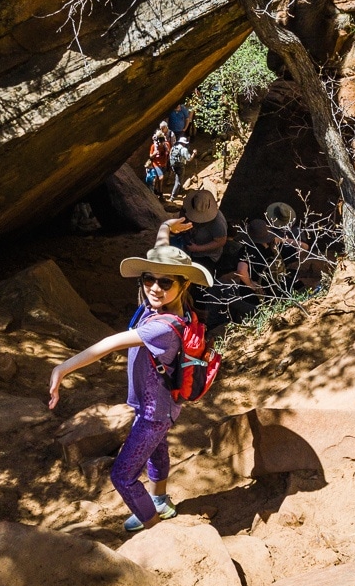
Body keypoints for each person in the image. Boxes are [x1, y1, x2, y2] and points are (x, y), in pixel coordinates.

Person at [49, 218, 213, 533]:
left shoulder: (162, 327)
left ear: (183, 285)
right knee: (158, 448)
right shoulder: (164, 305)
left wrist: (62, 368)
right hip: (160, 404)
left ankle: (154, 528)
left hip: (155, 412)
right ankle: (160, 501)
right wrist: (165, 227)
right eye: (149, 279)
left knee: (123, 475)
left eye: (165, 283)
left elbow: (107, 345)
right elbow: (161, 251)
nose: (154, 287)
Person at [182, 189, 228, 273]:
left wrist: (198, 248)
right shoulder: (187, 207)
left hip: (207, 255)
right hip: (189, 248)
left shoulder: (217, 221)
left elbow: (221, 241)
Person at [169, 137, 197, 203]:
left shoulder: (174, 147)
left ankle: (180, 190)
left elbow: (170, 154)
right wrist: (194, 153)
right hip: (180, 166)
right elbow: (189, 159)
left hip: (174, 165)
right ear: (184, 143)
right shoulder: (184, 149)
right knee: (178, 182)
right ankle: (172, 197)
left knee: (178, 178)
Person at [149, 131, 170, 197]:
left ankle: (156, 190)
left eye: (162, 142)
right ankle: (160, 192)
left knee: (158, 178)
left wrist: (167, 162)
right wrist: (155, 153)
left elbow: (168, 153)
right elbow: (150, 156)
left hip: (163, 164)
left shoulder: (166, 145)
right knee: (161, 177)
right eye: (159, 142)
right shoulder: (153, 146)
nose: (160, 144)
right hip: (156, 164)